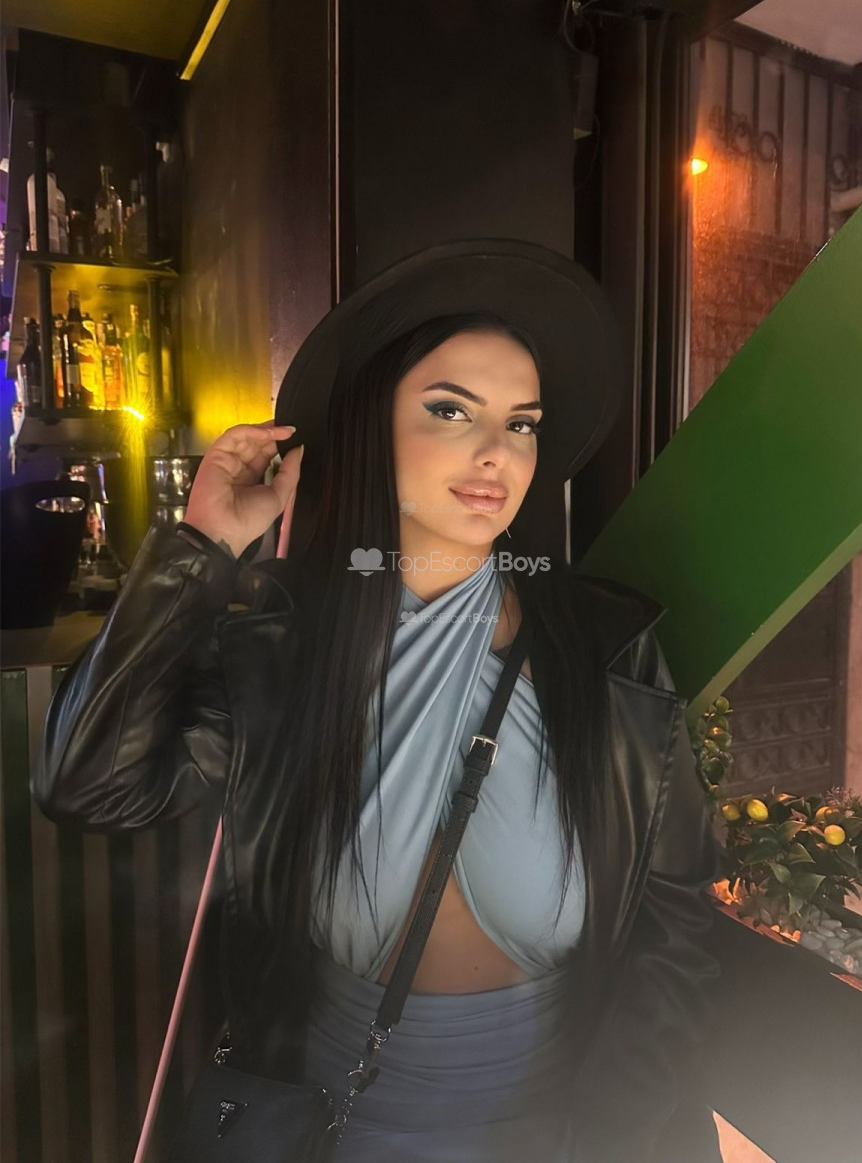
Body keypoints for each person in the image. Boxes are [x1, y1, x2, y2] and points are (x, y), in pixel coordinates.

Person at [32, 240, 722, 1162]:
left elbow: (676, 920)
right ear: (371, 426)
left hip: (562, 1127)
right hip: (332, 1122)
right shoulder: (284, 644)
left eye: (521, 424)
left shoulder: (607, 646)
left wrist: (614, 1137)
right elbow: (86, 785)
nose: (496, 452)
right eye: (450, 410)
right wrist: (201, 547)